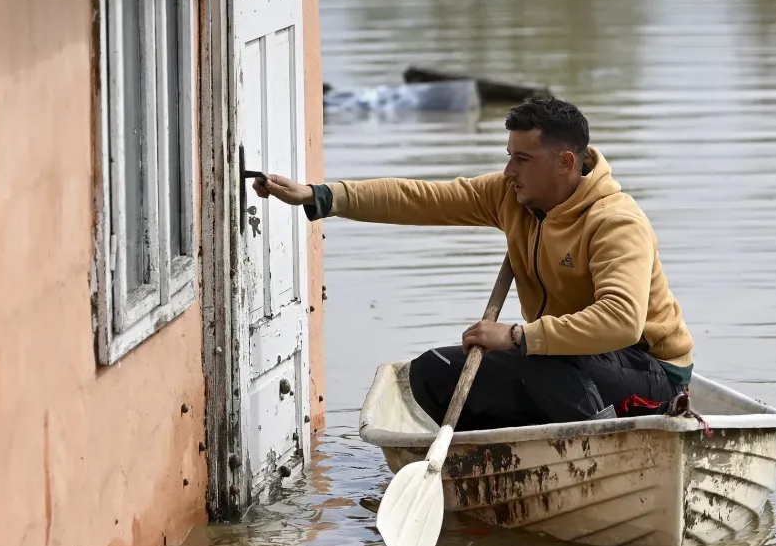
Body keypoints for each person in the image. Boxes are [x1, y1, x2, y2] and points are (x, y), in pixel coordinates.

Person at [253, 96, 694, 431]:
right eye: (508, 156)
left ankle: (608, 443)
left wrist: (517, 336)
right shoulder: (510, 198)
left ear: (564, 163)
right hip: (563, 362)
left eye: (521, 159)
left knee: (539, 361)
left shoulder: (615, 221)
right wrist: (321, 196)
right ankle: (514, 458)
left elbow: (621, 323)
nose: (508, 171)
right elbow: (420, 200)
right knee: (430, 374)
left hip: (649, 372)